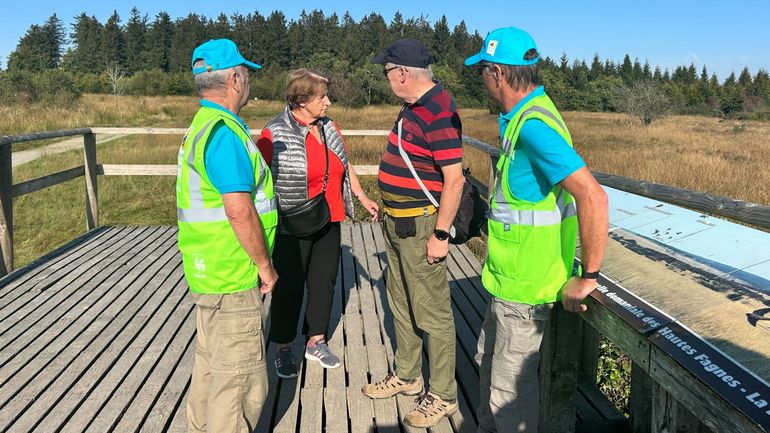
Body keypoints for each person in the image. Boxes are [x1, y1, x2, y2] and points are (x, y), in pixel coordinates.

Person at [464, 27, 609, 432]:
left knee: (508, 398)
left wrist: (589, 276)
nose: (482, 79)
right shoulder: (524, 115)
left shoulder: (534, 126)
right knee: (487, 368)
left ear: (496, 73)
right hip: (506, 283)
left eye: (482, 71)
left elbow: (593, 197)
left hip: (526, 291)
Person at [362, 39, 465, 428]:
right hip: (397, 222)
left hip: (422, 225)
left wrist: (440, 235)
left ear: (402, 73)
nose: (386, 78)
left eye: (387, 72)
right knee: (402, 300)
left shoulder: (437, 111)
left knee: (433, 312)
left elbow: (452, 181)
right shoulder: (415, 108)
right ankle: (407, 376)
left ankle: (442, 395)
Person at [177, 39, 278, 433]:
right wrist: (265, 266)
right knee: (239, 385)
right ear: (235, 79)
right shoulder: (224, 134)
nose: (248, 81)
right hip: (235, 277)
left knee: (210, 370)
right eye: (246, 74)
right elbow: (239, 209)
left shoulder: (201, 127)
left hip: (209, 273)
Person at [257, 69, 379, 379]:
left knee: (324, 282)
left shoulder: (329, 127)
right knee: (289, 286)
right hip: (292, 222)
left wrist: (361, 196)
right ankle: (283, 347)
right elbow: (260, 182)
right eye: (320, 96)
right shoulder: (275, 132)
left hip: (329, 216)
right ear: (301, 100)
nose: (327, 102)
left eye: (325, 95)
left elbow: (344, 162)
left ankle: (316, 341)